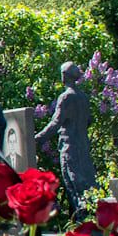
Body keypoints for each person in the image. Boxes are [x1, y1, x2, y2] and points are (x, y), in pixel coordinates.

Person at [35, 61, 96, 215]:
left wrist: (37, 138)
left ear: (64, 76)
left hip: (70, 146)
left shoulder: (66, 97)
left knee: (74, 184)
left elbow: (56, 123)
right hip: (83, 144)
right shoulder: (83, 97)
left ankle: (84, 220)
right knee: (86, 182)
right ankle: (89, 216)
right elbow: (89, 120)